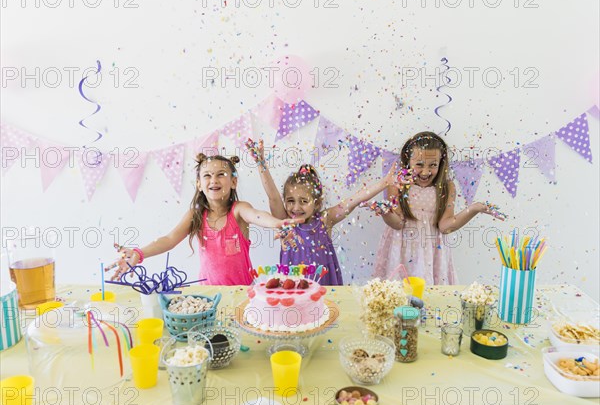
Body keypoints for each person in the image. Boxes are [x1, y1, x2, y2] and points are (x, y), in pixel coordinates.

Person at [108, 154, 301, 285]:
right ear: (199, 184)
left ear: (233, 182)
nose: (214, 180)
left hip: (242, 293)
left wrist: (277, 223)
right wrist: (139, 253)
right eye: (207, 175)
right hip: (207, 294)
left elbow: (257, 215)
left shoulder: (238, 210)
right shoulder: (196, 214)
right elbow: (169, 240)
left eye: (221, 175)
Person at [251, 140, 403, 285]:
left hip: (323, 286)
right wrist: (261, 163)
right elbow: (273, 196)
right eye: (290, 201)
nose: (296, 207)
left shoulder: (325, 219)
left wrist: (385, 183)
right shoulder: (284, 221)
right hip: (293, 290)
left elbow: (355, 199)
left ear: (316, 203)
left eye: (304, 201)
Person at [373, 131, 504, 285]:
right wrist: (385, 212)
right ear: (408, 161)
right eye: (419, 165)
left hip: (433, 252)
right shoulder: (397, 185)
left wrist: (474, 208)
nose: (426, 171)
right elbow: (398, 223)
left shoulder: (447, 187)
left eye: (433, 165)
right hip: (402, 247)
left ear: (440, 164)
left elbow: (446, 226)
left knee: (430, 298)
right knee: (399, 294)